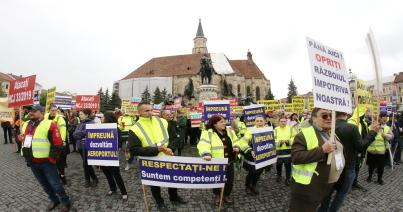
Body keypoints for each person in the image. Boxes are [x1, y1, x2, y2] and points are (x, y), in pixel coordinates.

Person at [128, 103, 186, 211]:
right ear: (139, 112)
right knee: (155, 185)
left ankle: (174, 197)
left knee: (172, 180)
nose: (150, 112)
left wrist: (171, 148)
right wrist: (156, 150)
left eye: (151, 110)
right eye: (147, 111)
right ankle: (159, 202)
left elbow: (174, 138)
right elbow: (134, 150)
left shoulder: (162, 121)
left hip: (168, 157)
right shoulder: (135, 128)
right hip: (151, 161)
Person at [318, 111, 378, 212]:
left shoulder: (326, 127)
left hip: (330, 165)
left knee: (327, 193)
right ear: (346, 113)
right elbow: (361, 147)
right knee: (341, 194)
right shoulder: (352, 127)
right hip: (348, 166)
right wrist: (372, 133)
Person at [289, 108, 344, 212]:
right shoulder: (303, 135)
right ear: (314, 118)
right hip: (308, 188)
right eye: (324, 116)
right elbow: (296, 157)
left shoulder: (331, 133)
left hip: (325, 184)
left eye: (331, 116)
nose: (329, 118)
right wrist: (322, 150)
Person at [19, 105, 71, 212]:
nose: (30, 112)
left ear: (42, 113)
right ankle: (54, 200)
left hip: (46, 163)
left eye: (33, 111)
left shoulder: (49, 124)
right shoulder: (27, 124)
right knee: (44, 184)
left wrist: (51, 159)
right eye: (29, 111)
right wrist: (19, 137)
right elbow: (23, 138)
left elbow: (58, 144)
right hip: (32, 162)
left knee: (56, 185)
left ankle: (66, 202)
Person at [198, 115, 240, 205]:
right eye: (221, 122)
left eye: (224, 121)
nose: (224, 123)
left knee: (229, 181)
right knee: (217, 180)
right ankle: (217, 195)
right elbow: (203, 144)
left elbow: (236, 140)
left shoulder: (229, 131)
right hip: (217, 163)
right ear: (214, 124)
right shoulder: (207, 133)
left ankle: (226, 195)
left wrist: (236, 146)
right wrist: (206, 153)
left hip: (230, 161)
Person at [100, 111, 128, 200]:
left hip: (111, 156)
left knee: (116, 174)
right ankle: (113, 188)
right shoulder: (99, 128)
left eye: (103, 117)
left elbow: (119, 143)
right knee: (107, 174)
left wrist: (115, 149)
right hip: (101, 155)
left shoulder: (116, 129)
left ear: (107, 118)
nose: (101, 118)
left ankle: (124, 192)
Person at [238, 116, 267, 194]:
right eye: (257, 121)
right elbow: (242, 142)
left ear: (264, 122)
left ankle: (254, 185)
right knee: (252, 172)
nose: (259, 123)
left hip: (263, 155)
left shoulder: (268, 130)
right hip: (252, 155)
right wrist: (250, 150)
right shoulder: (250, 131)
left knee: (259, 172)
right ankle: (247, 186)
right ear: (255, 122)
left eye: (261, 121)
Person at [73, 108, 98, 188]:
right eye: (79, 114)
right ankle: (93, 178)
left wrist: (80, 134)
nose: (79, 116)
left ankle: (89, 179)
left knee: (86, 164)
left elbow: (88, 132)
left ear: (86, 115)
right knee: (86, 163)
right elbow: (74, 134)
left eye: (81, 114)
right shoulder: (80, 124)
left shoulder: (91, 122)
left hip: (87, 146)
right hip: (80, 146)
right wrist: (81, 134)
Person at [366, 113, 393, 185]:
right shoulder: (371, 126)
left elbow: (391, 137)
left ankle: (379, 179)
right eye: (384, 118)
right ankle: (369, 177)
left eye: (385, 118)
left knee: (381, 167)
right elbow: (366, 136)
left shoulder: (387, 127)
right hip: (371, 150)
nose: (385, 120)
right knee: (371, 166)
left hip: (381, 151)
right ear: (379, 118)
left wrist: (383, 134)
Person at [46, 105, 69, 185]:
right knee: (51, 161)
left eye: (55, 110)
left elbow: (63, 130)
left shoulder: (60, 118)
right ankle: (54, 176)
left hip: (58, 143)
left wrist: (62, 141)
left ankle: (62, 176)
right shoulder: (46, 117)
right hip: (48, 143)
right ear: (49, 110)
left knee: (60, 162)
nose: (54, 112)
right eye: (52, 110)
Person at [347, 107, 369, 190]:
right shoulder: (351, 122)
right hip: (354, 150)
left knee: (358, 166)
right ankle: (348, 184)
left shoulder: (363, 122)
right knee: (352, 168)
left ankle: (354, 182)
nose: (365, 115)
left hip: (362, 148)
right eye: (364, 113)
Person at [275, 116, 297, 186]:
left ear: (286, 122)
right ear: (279, 122)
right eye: (281, 121)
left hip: (288, 149)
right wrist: (280, 142)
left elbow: (295, 137)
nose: (283, 123)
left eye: (284, 121)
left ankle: (288, 178)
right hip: (279, 149)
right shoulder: (275, 129)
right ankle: (279, 176)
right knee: (279, 164)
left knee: (288, 165)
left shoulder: (291, 129)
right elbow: (273, 139)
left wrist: (288, 141)